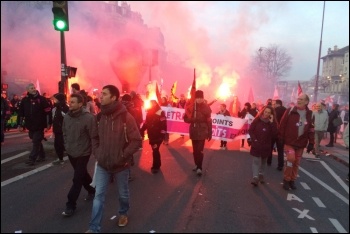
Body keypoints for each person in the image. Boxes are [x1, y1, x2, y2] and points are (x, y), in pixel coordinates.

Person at [87, 85, 142, 232]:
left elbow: (136, 140)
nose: (100, 96)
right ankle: (94, 228)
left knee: (123, 194)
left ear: (113, 98)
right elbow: (94, 137)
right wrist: (98, 153)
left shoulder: (126, 117)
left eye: (104, 94)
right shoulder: (98, 117)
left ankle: (123, 213)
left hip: (121, 165)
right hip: (103, 164)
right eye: (101, 93)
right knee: (98, 196)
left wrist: (123, 156)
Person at [62, 93, 98, 217]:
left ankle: (70, 204)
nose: (70, 104)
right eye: (69, 101)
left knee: (77, 178)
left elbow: (94, 136)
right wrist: (66, 146)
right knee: (82, 174)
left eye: (72, 102)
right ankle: (92, 190)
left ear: (80, 104)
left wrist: (96, 152)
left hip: (84, 152)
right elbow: (64, 132)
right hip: (71, 151)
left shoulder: (89, 118)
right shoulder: (67, 117)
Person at [278, 93, 314, 190]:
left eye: (301, 99)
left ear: (306, 102)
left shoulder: (309, 114)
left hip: (301, 143)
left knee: (297, 162)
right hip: (289, 142)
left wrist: (311, 142)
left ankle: (292, 180)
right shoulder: (290, 111)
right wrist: (280, 138)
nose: (299, 100)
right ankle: (286, 179)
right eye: (298, 99)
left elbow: (311, 129)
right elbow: (282, 125)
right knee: (290, 160)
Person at [18, 83, 52, 166]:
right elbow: (21, 113)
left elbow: (48, 112)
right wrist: (20, 124)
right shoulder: (25, 100)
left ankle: (32, 158)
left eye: (34, 87)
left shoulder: (42, 99)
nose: (33, 89)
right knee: (36, 140)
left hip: (40, 125)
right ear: (28, 90)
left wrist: (49, 123)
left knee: (36, 141)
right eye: (31, 88)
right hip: (30, 125)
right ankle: (42, 155)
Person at [184, 90, 212, 176]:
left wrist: (210, 132)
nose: (199, 100)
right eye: (198, 98)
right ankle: (196, 164)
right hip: (194, 131)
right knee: (195, 151)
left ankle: (200, 167)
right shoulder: (191, 107)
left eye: (201, 98)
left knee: (200, 151)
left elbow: (209, 121)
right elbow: (185, 119)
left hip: (203, 131)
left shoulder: (206, 107)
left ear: (203, 98)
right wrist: (193, 119)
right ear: (195, 98)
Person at [249, 105, 278, 186]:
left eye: (269, 113)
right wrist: (254, 139)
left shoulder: (272, 123)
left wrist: (272, 123)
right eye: (265, 112)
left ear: (271, 114)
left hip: (266, 146)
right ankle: (255, 177)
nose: (266, 114)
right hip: (256, 144)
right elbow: (251, 130)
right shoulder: (257, 120)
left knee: (263, 161)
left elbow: (274, 134)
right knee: (256, 161)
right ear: (263, 111)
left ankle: (261, 174)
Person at [140, 100, 167, 173]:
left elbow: (163, 124)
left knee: (155, 149)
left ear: (156, 104)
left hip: (158, 135)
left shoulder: (160, 112)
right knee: (155, 150)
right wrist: (141, 130)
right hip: (151, 135)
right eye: (151, 103)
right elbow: (147, 123)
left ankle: (156, 166)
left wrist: (162, 135)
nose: (152, 105)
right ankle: (157, 164)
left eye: (153, 103)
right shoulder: (149, 112)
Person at [51, 93, 69, 165]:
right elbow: (53, 118)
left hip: (63, 130)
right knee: (57, 145)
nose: (54, 100)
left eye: (55, 99)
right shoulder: (54, 108)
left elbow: (67, 118)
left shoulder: (65, 108)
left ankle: (61, 159)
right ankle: (60, 158)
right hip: (57, 130)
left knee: (60, 145)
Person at [271, 99, 287, 170]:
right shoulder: (286, 111)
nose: (273, 105)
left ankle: (269, 161)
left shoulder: (274, 111)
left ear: (277, 104)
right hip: (282, 132)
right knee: (280, 150)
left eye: (274, 104)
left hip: (274, 131)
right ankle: (280, 165)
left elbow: (272, 121)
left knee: (270, 147)